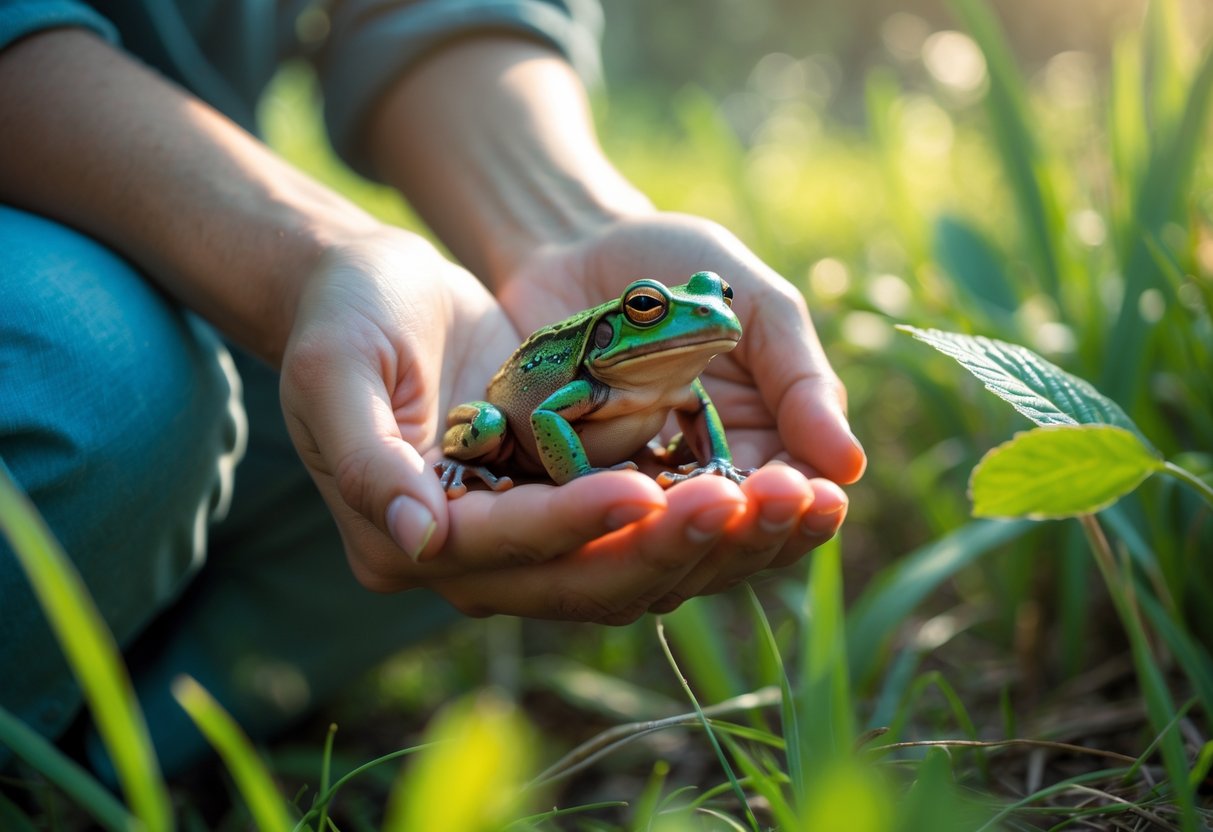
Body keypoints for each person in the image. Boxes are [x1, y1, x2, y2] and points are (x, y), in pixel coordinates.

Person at [0, 0, 866, 778]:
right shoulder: (582, 390)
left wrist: (564, 219)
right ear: (617, 324)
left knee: (400, 496)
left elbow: (697, 413)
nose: (700, 319)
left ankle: (117, 763)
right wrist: (304, 255)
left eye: (706, 303)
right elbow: (549, 418)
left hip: (194, 238)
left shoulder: (677, 384)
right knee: (100, 385)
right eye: (650, 309)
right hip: (62, 245)